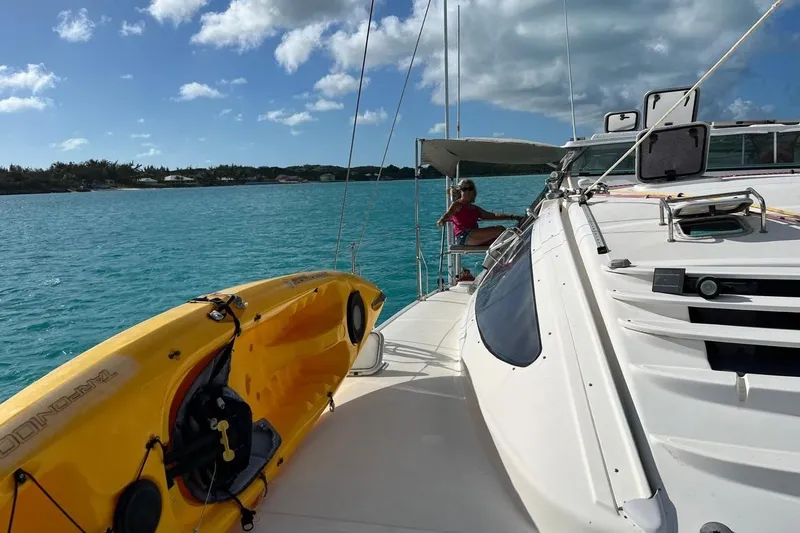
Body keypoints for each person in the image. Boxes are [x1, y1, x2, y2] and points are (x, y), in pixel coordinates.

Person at [436, 178, 524, 246]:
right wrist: (442, 219)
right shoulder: (457, 204)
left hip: (473, 235)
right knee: (500, 230)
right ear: (460, 191)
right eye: (464, 189)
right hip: (465, 236)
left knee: (501, 241)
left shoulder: (475, 208)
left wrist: (513, 217)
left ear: (473, 191)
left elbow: (493, 216)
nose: (467, 191)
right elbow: (448, 213)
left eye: (469, 188)